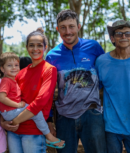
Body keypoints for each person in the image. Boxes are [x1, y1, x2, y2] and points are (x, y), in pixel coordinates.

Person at [45, 9, 107, 153]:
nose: (68, 31)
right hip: (64, 117)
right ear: (57, 29)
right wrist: (49, 120)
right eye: (63, 27)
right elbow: (47, 92)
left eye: (71, 26)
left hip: (92, 114)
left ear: (78, 27)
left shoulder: (94, 47)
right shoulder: (51, 56)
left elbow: (105, 77)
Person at [0, 28, 65, 153]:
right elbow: (8, 98)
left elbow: (40, 102)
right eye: (31, 45)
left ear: (45, 47)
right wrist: (4, 122)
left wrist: (14, 121)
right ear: (27, 47)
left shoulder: (49, 70)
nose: (35, 49)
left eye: (39, 45)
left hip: (33, 131)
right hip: (14, 131)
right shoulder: (20, 73)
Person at [95, 20, 130, 153]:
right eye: (119, 33)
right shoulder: (101, 61)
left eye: (127, 33)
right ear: (112, 38)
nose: (123, 37)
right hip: (110, 127)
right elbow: (94, 91)